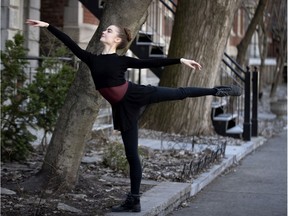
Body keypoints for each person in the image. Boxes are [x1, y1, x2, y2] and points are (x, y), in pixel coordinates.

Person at [26, 19, 241, 212]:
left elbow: (151, 63)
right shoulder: (92, 59)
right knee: (131, 155)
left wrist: (180, 60)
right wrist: (48, 26)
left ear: (117, 39)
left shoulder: (121, 60)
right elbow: (70, 44)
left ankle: (217, 90)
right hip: (122, 108)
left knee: (178, 93)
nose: (104, 31)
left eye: (108, 30)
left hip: (136, 93)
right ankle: (134, 200)